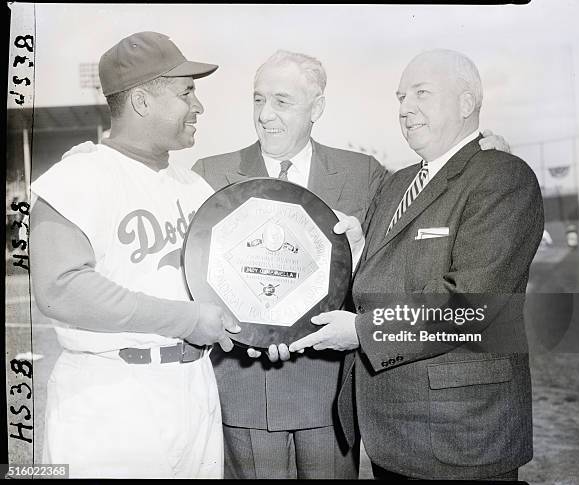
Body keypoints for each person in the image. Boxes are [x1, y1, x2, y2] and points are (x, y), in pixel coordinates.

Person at [192, 50, 511, 479]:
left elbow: (417, 223)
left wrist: (482, 153)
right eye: (257, 99)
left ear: (317, 107)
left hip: (332, 396)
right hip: (243, 390)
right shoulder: (208, 175)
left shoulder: (366, 175)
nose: (266, 114)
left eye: (282, 101)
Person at [290, 49, 544, 480]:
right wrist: (354, 252)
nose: (405, 109)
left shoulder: (502, 177)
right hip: (392, 438)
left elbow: (471, 304)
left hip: (461, 439)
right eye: (401, 97)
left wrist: (359, 332)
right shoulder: (396, 185)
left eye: (421, 94)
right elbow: (380, 280)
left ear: (466, 104)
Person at [29, 31, 240, 478]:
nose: (198, 106)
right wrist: (186, 320)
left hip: (195, 387)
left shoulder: (194, 186)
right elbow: (61, 291)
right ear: (142, 102)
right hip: (112, 398)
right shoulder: (77, 177)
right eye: (186, 93)